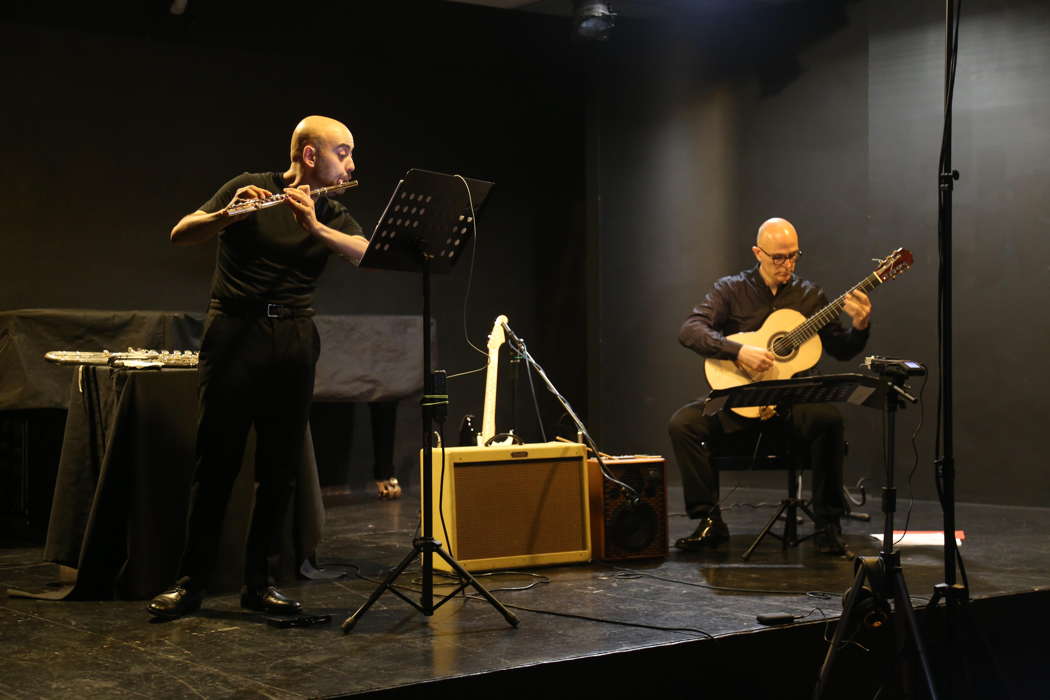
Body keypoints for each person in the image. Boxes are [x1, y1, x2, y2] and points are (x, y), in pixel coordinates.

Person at [147, 116, 369, 619]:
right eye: (343, 152)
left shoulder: (332, 209)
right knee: (216, 464)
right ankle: (190, 583)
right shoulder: (250, 189)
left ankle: (260, 584)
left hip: (292, 338)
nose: (351, 165)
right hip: (234, 335)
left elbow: (367, 253)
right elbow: (181, 233)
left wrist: (314, 226)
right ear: (310, 155)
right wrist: (228, 214)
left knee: (279, 470)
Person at [667, 218, 871, 556]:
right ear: (758, 253)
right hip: (740, 400)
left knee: (829, 420)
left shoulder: (810, 296)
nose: (787, 264)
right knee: (683, 423)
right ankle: (709, 521)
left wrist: (860, 326)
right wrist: (739, 351)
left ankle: (827, 526)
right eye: (778, 257)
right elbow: (690, 330)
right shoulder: (730, 290)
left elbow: (842, 349)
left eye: (793, 256)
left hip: (792, 404)